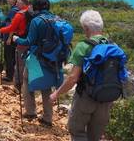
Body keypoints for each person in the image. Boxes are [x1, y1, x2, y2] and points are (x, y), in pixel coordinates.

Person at [50, 10, 125, 141]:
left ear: (86, 28)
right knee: (95, 136)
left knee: (77, 131)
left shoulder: (83, 46)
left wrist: (57, 93)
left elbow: (73, 78)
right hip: (106, 99)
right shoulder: (113, 46)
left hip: (85, 98)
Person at [15, 0, 59, 127]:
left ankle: (30, 111)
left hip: (36, 57)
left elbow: (29, 41)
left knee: (27, 80)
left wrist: (17, 39)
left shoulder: (36, 21)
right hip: (52, 57)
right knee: (46, 87)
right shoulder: (55, 19)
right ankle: (47, 118)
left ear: (36, 6)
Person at [0, 0, 30, 87]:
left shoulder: (15, 11)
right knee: (13, 57)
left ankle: (10, 77)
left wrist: (7, 36)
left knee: (9, 56)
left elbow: (12, 26)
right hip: (20, 38)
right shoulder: (23, 11)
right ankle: (13, 77)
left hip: (14, 38)